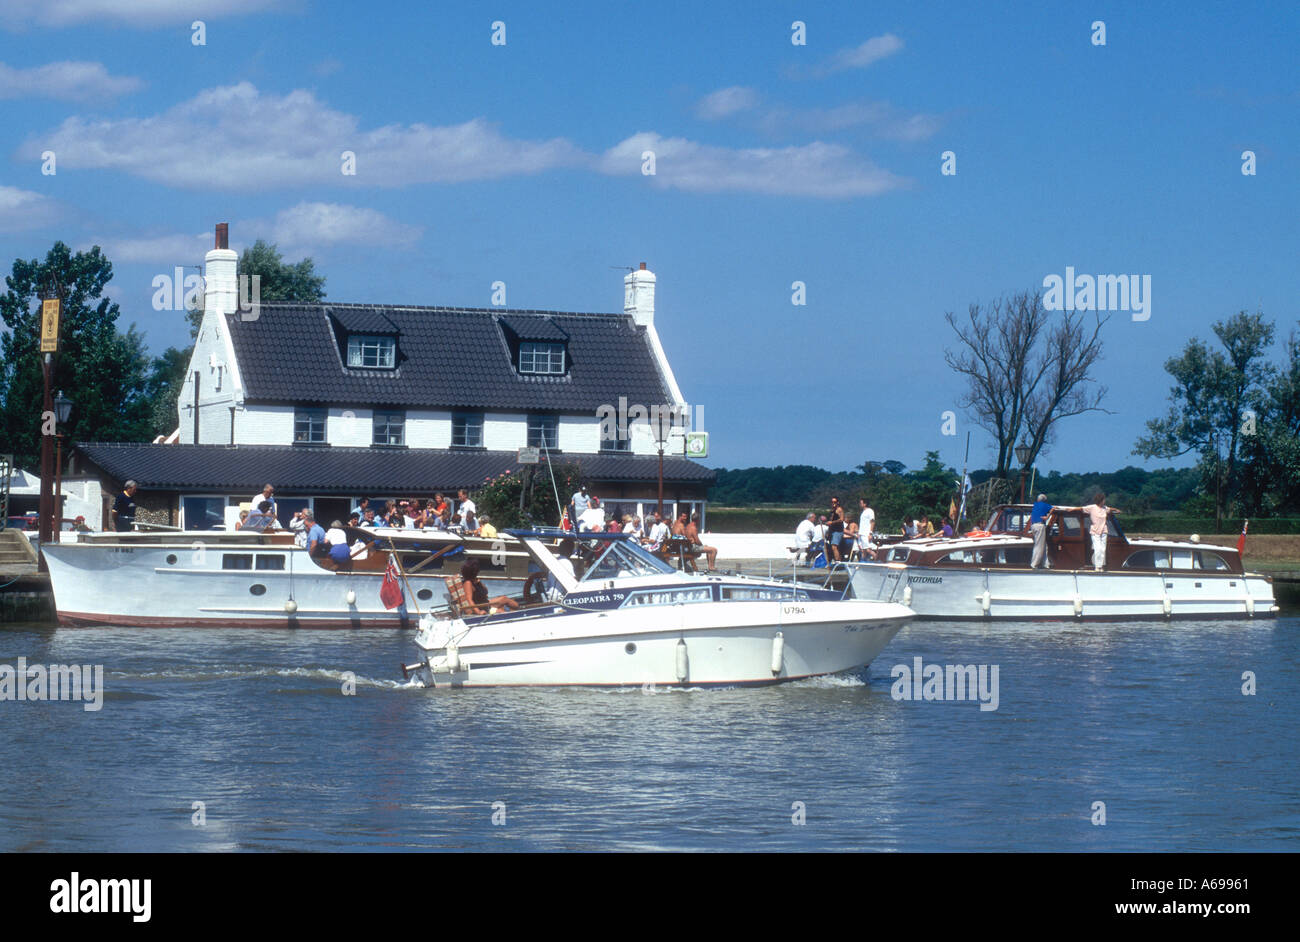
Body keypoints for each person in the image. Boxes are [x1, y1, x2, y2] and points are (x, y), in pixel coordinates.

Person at [1075, 493, 1119, 571]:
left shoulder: (1105, 508)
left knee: (1103, 549)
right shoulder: (1092, 507)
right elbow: (1081, 508)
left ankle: (1101, 566)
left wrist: (1116, 509)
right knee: (1098, 549)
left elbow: (1110, 509)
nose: (1105, 501)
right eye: (1104, 499)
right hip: (1095, 531)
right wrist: (1070, 509)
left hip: (1104, 531)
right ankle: (1097, 566)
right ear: (1100, 500)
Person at [1029, 493, 1054, 569]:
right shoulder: (1044, 505)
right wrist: (1047, 517)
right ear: (1044, 500)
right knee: (1039, 546)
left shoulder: (1035, 505)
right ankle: (1034, 564)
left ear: (1038, 499)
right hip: (1040, 525)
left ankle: (1046, 564)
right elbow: (1053, 509)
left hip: (1033, 526)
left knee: (1044, 545)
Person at [826, 497, 846, 562]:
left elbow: (842, 519)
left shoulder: (839, 509)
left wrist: (832, 522)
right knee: (834, 547)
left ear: (838, 503)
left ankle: (838, 561)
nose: (833, 504)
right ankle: (837, 560)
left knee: (834, 546)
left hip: (838, 530)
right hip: (832, 530)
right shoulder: (832, 510)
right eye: (832, 502)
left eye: (834, 502)